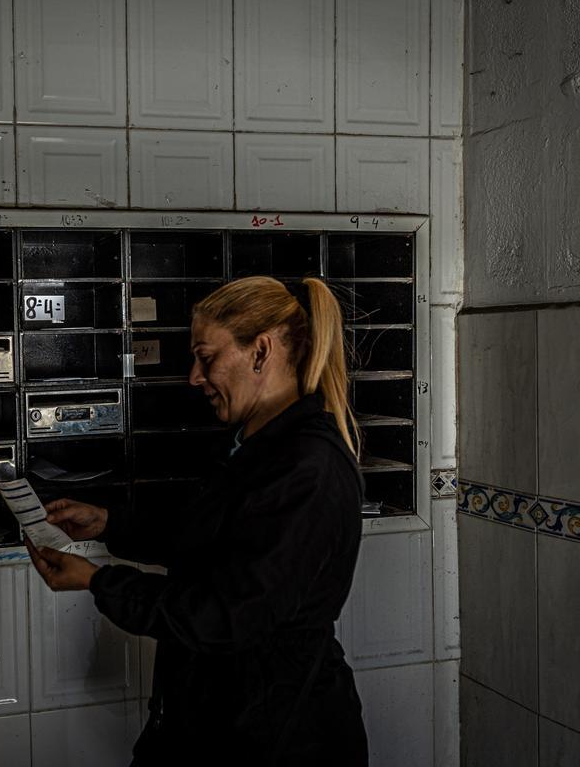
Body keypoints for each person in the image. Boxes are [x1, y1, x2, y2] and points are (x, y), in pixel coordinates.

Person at [25, 275, 369, 766]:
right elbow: (211, 540)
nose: (193, 376)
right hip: (219, 716)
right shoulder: (255, 444)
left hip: (278, 736)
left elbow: (226, 616)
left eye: (207, 358)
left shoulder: (307, 467)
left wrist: (100, 581)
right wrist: (109, 524)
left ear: (261, 351)